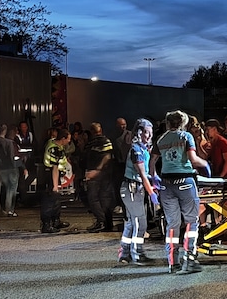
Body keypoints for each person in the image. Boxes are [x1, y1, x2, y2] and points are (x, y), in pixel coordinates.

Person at [155, 110, 210, 274]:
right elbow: (193, 159)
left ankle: (173, 262)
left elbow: (152, 163)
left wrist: (155, 179)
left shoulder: (161, 139)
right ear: (183, 123)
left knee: (172, 224)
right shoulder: (186, 137)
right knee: (191, 222)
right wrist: (205, 164)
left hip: (166, 184)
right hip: (185, 182)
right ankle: (190, 260)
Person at [118, 118, 156, 265]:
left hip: (134, 188)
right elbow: (141, 174)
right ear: (139, 132)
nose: (149, 136)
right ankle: (138, 254)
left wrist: (155, 179)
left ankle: (125, 253)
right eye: (146, 132)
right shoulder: (136, 150)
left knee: (130, 223)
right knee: (140, 222)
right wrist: (152, 193)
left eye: (151, 133)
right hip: (132, 188)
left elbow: (148, 171)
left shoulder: (144, 148)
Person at [83, 122, 117, 233]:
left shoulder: (90, 144)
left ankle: (101, 222)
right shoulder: (107, 142)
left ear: (92, 132)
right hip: (107, 175)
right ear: (100, 130)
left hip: (95, 174)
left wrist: (96, 170)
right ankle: (108, 223)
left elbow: (105, 157)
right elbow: (110, 156)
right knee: (105, 199)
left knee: (93, 199)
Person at [38, 129, 71, 233]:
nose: (69, 141)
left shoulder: (54, 143)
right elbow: (54, 168)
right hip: (50, 176)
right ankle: (46, 225)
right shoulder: (54, 149)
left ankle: (56, 221)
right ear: (63, 139)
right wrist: (55, 185)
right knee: (49, 200)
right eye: (68, 139)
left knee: (56, 200)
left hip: (53, 175)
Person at [0, 124, 19, 218]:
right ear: (5, 131)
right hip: (6, 169)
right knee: (10, 189)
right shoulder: (9, 143)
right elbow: (10, 157)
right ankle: (8, 209)